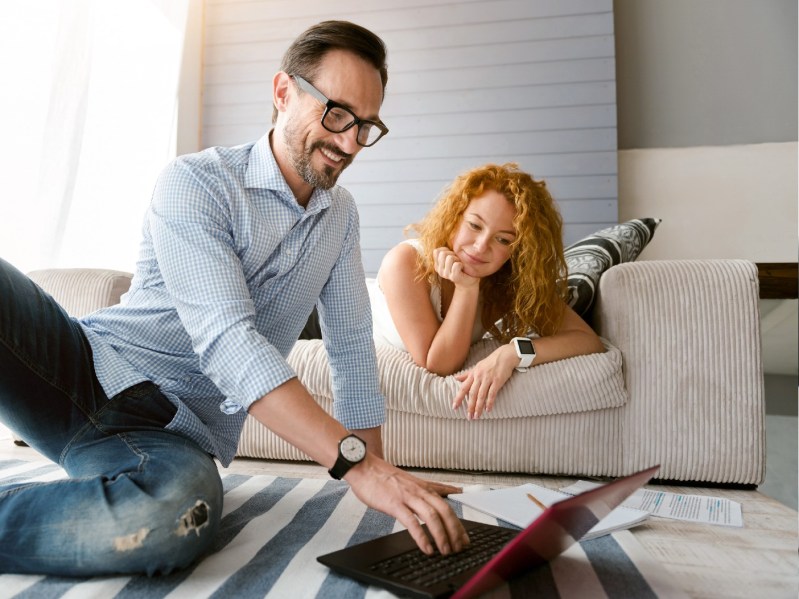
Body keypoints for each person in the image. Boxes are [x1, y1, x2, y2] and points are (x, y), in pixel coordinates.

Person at [0, 20, 468, 577]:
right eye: (337, 113)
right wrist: (357, 468)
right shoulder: (195, 183)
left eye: (365, 126)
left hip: (172, 435)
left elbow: (350, 349)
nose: (348, 142)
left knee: (178, 516)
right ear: (282, 93)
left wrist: (381, 474)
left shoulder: (340, 219)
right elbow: (229, 341)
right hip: (79, 367)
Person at [370, 163, 605, 420]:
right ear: (454, 216)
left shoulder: (504, 281)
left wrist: (514, 352)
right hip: (321, 321)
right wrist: (467, 288)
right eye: (474, 225)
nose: (481, 247)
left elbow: (587, 340)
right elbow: (438, 363)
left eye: (503, 239)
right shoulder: (405, 261)